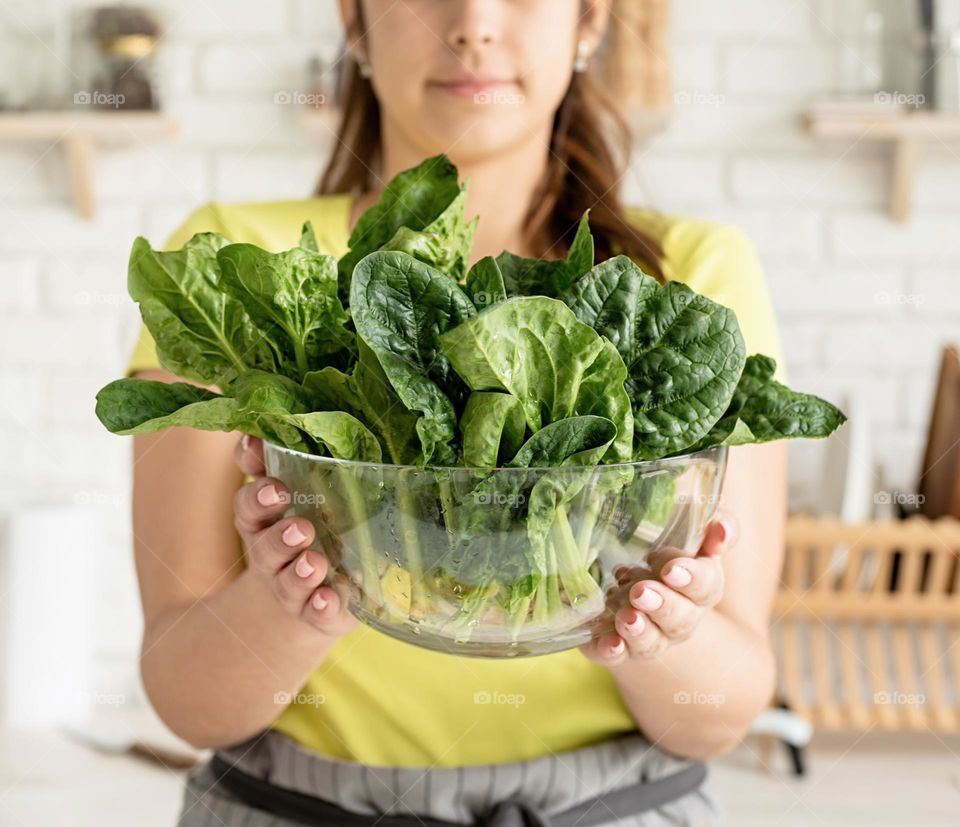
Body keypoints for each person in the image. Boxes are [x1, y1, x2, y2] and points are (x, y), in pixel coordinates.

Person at [126, 2, 788, 824]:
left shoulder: (690, 279)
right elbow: (189, 702)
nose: (472, 23)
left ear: (590, 22)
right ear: (355, 21)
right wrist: (288, 596)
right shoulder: (235, 267)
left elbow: (722, 710)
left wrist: (666, 631)